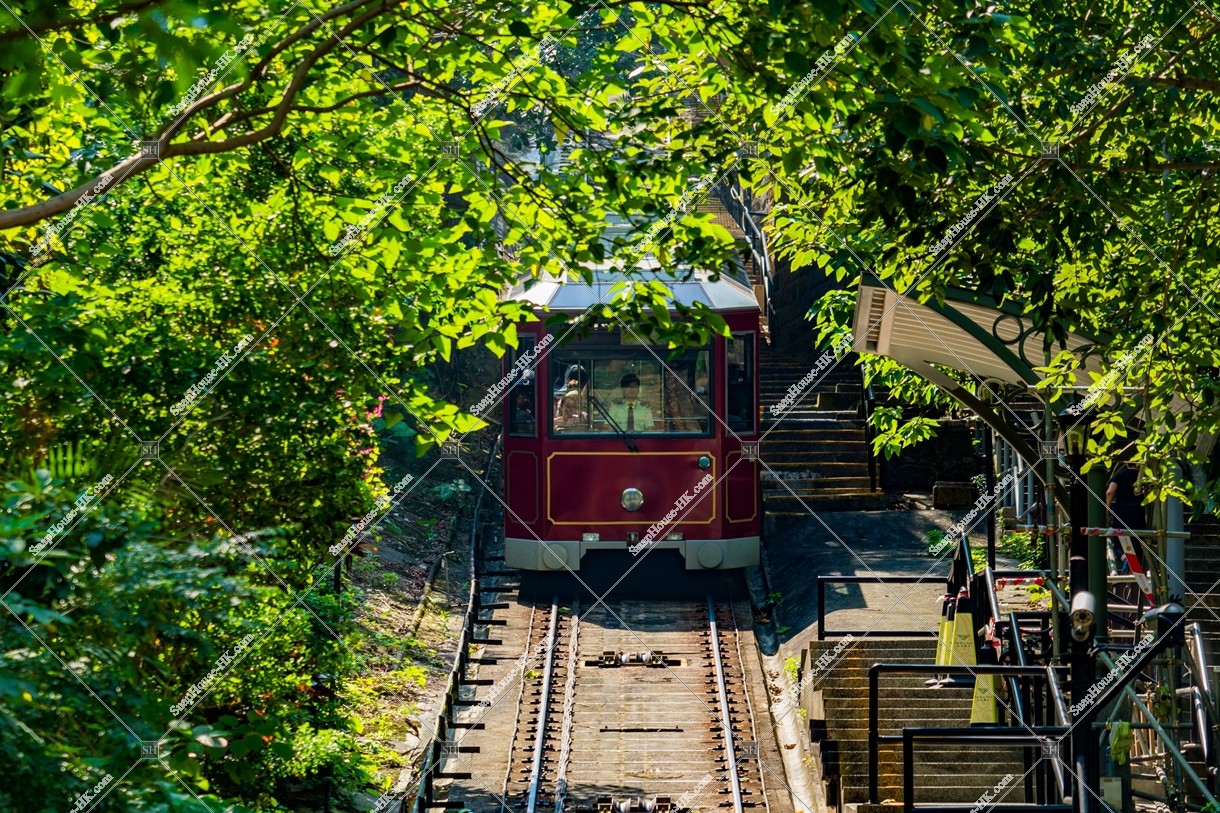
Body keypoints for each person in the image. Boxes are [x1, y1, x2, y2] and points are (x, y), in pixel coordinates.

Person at [1107, 461, 1146, 572]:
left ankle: (1125, 558)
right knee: (1137, 544)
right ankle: (1135, 576)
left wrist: (1107, 512)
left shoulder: (1120, 475)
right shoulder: (1144, 477)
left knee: (1118, 545)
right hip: (1139, 514)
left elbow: (1109, 492)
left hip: (1121, 514)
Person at [554, 365, 588, 430]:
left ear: (568, 378)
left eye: (571, 407)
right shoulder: (583, 395)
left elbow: (578, 417)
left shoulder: (572, 395)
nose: (570, 410)